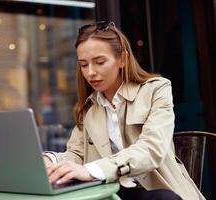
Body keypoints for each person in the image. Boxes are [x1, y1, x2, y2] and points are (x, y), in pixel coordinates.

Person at [43, 21, 205, 200]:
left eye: (99, 62)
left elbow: (152, 148)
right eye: (83, 64)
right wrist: (52, 161)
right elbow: (76, 154)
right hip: (112, 193)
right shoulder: (89, 108)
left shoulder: (156, 90)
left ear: (122, 59)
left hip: (158, 192)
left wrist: (93, 170)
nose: (90, 72)